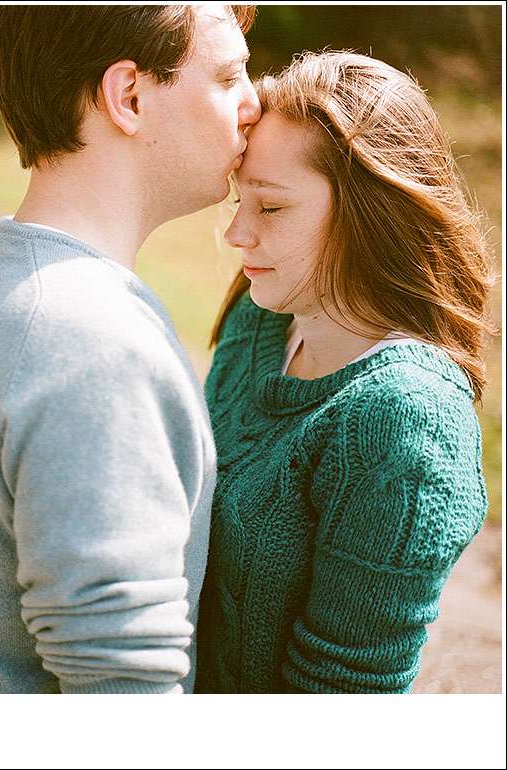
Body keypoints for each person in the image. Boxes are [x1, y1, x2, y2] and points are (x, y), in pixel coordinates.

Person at [0, 5, 260, 693]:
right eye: (230, 76)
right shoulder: (91, 346)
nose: (253, 103)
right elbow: (122, 691)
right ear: (129, 97)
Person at [195, 51, 493, 693]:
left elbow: (341, 701)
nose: (237, 233)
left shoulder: (404, 421)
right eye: (239, 201)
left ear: (370, 211)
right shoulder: (260, 318)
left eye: (270, 208)